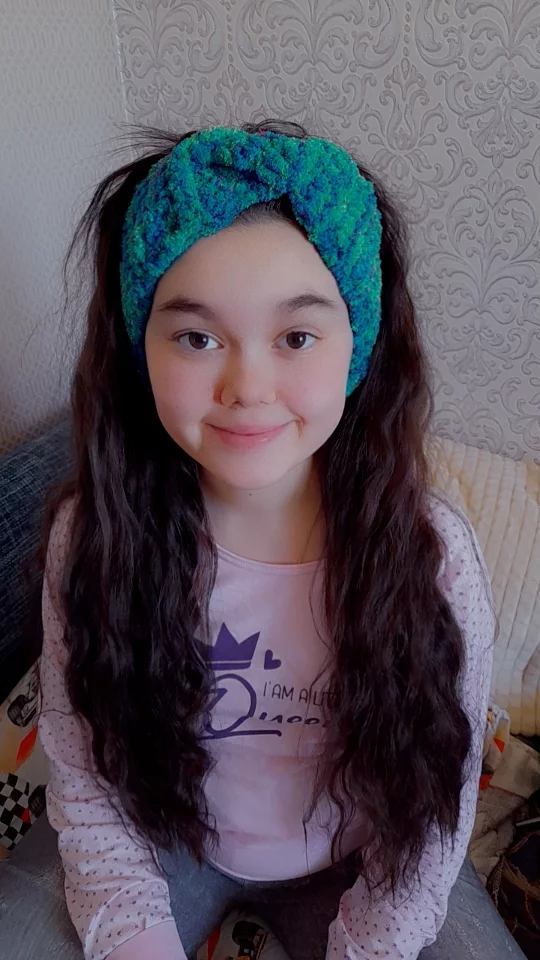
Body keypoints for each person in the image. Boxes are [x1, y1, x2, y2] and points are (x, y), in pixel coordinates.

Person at [33, 119, 525, 960]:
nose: (247, 387)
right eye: (196, 337)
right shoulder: (91, 539)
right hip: (161, 839)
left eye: (296, 337)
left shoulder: (435, 561)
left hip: (359, 864)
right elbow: (85, 783)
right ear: (141, 347)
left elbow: (427, 821)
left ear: (357, 346)